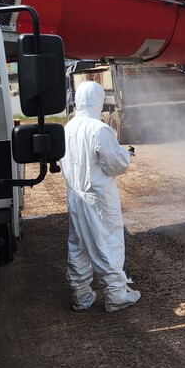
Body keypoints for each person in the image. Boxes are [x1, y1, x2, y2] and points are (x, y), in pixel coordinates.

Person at [62, 81, 140, 312]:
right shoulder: (100, 129)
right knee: (107, 240)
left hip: (75, 194)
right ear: (98, 101)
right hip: (98, 197)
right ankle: (116, 294)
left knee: (78, 245)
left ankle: (81, 296)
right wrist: (127, 156)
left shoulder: (68, 128)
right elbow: (115, 165)